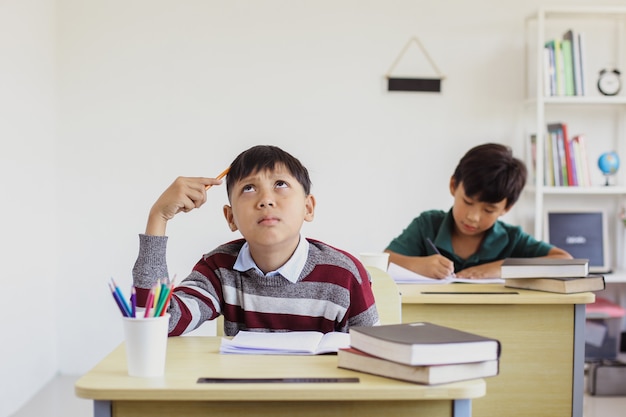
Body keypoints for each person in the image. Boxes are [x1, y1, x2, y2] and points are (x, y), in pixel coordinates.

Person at [132, 145, 379, 336]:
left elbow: (372, 355)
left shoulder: (346, 276)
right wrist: (159, 217)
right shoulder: (219, 269)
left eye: (280, 184)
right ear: (231, 218)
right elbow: (156, 323)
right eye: (249, 188)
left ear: (308, 207)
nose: (266, 200)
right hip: (245, 400)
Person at [385, 143, 572, 279]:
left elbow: (565, 260)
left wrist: (500, 267)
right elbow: (383, 261)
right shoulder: (427, 225)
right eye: (467, 202)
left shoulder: (512, 238)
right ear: (453, 186)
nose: (473, 217)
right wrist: (419, 265)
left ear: (506, 208)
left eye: (489, 210)